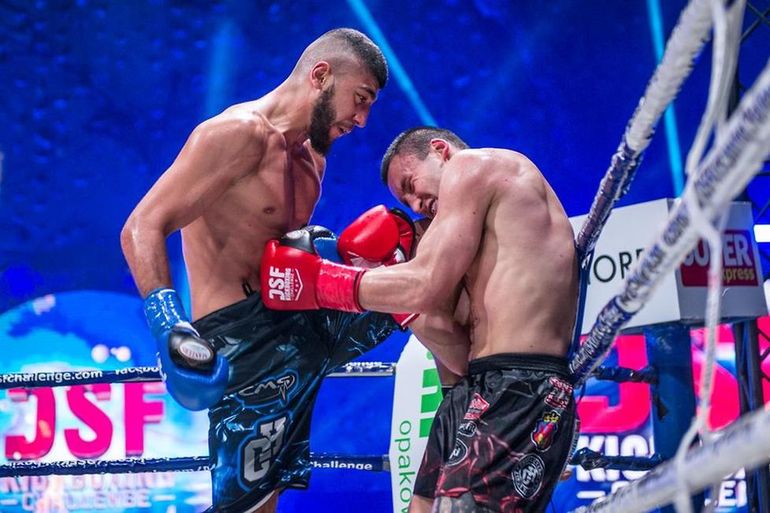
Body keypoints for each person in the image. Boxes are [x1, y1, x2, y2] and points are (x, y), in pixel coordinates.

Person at [120, 28, 409, 513]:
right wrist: (169, 324)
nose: (362, 120)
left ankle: (478, 420)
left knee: (421, 278)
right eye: (359, 99)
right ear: (321, 75)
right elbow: (141, 226)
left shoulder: (313, 157)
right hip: (243, 344)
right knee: (250, 506)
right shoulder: (236, 135)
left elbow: (284, 258)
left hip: (301, 325)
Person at [261, 126, 580, 512]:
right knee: (422, 507)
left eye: (411, 185)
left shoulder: (474, 165)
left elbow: (424, 285)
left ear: (441, 150)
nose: (416, 204)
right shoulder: (477, 233)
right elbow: (457, 354)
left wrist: (321, 282)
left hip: (520, 385)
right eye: (405, 200)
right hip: (475, 385)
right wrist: (395, 283)